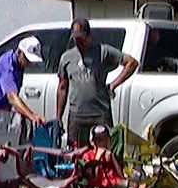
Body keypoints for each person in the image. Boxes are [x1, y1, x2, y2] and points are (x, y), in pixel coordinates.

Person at [54, 18, 136, 147]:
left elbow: (131, 63)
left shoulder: (103, 52)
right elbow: (62, 87)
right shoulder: (66, 58)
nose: (78, 42)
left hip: (100, 113)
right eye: (76, 38)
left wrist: (114, 84)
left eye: (81, 38)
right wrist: (58, 117)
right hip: (77, 115)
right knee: (76, 154)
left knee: (103, 154)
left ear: (89, 36)